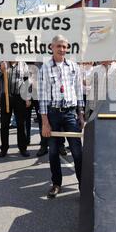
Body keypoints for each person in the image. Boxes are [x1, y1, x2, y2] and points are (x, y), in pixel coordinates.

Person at [39, 35, 84, 199]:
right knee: (53, 152)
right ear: (52, 47)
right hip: (53, 114)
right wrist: (45, 122)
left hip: (71, 113)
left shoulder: (73, 66)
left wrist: (81, 115)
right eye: (59, 46)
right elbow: (43, 96)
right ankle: (56, 184)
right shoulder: (45, 68)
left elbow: (79, 92)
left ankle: (83, 185)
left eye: (65, 46)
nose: (62, 49)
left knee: (77, 151)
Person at [0, 61, 31, 158]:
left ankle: (22, 148)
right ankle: (4, 148)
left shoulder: (23, 64)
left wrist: (28, 97)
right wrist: (1, 69)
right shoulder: (3, 63)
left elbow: (27, 81)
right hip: (6, 97)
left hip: (19, 97)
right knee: (4, 124)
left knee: (21, 124)